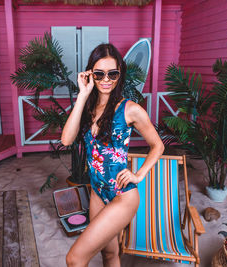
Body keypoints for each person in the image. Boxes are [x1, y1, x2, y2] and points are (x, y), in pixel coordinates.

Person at [61, 43, 164, 267]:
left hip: (122, 196)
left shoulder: (130, 109)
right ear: (90, 75)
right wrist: (82, 94)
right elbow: (66, 140)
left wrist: (138, 175)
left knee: (75, 259)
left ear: (120, 74)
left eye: (112, 73)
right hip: (98, 192)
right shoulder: (88, 107)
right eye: (99, 73)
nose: (106, 79)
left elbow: (158, 145)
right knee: (109, 255)